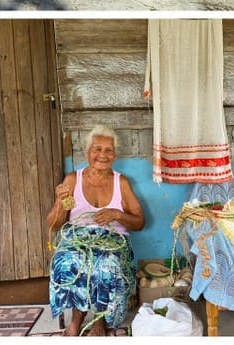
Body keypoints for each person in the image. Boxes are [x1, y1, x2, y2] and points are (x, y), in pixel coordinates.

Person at [47, 125, 145, 336]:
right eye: (97, 149)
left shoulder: (122, 182)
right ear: (87, 152)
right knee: (69, 260)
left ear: (115, 154)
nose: (102, 154)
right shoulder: (73, 179)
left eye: (108, 150)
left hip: (112, 240)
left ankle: (99, 320)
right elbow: (54, 225)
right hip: (77, 239)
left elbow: (140, 222)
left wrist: (117, 215)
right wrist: (61, 202)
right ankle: (77, 318)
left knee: (106, 264)